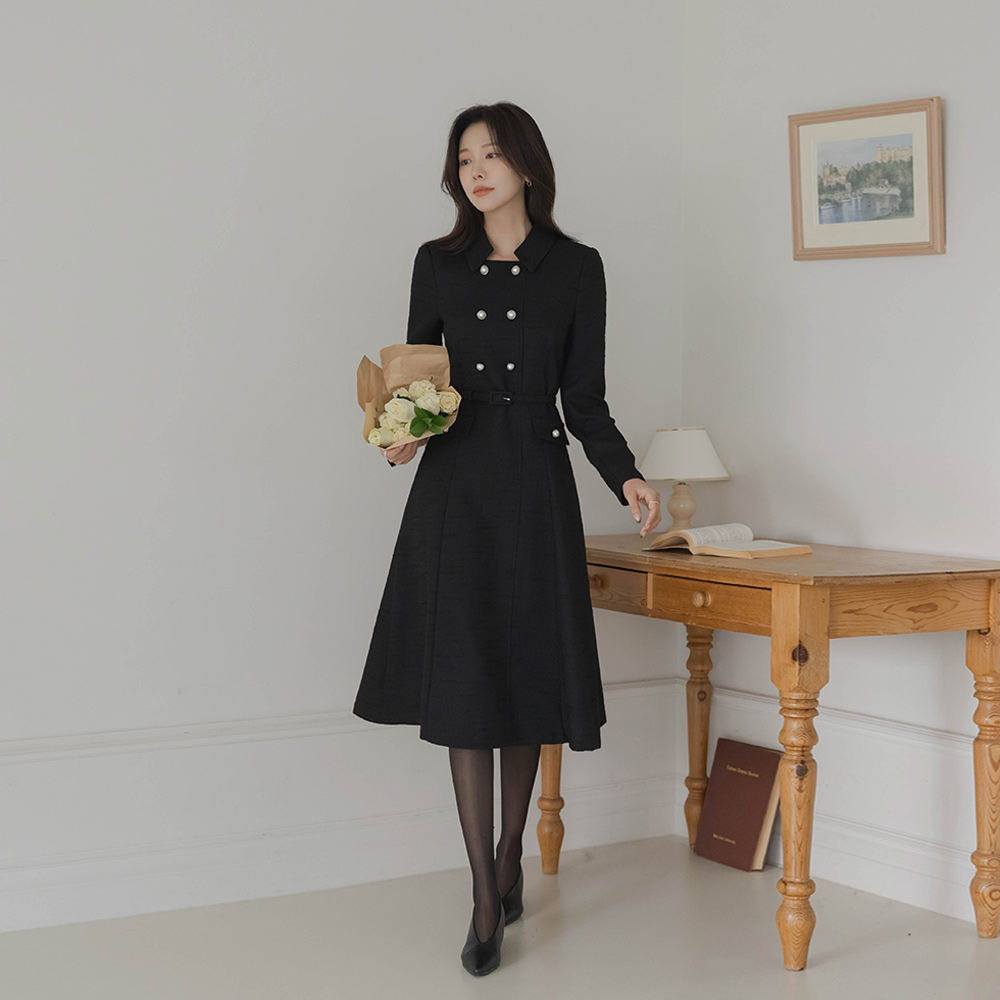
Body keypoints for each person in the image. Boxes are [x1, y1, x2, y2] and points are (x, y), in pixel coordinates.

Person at [353, 101, 661, 976]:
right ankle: (485, 897)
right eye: (465, 159)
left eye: (491, 154)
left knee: (523, 674)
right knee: (465, 676)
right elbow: (416, 377)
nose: (477, 170)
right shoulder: (437, 263)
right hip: (455, 490)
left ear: (527, 163)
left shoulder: (577, 267)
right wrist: (400, 435)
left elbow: (585, 399)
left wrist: (628, 476)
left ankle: (510, 852)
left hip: (534, 484)